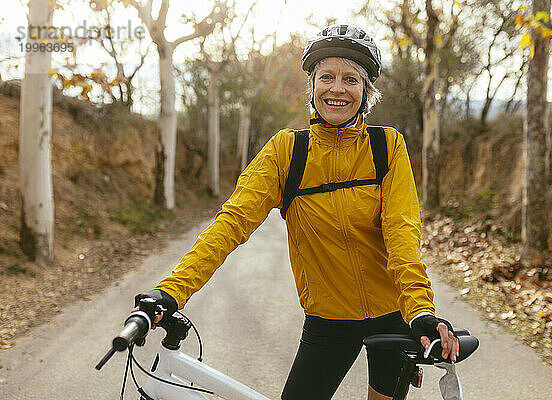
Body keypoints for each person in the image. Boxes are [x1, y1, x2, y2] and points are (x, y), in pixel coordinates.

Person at [135, 24, 459, 400]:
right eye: (327, 77)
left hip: (393, 315)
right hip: (328, 322)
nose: (337, 88)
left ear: (365, 91)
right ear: (312, 86)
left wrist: (419, 309)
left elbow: (402, 232)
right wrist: (171, 292)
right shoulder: (288, 151)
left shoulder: (386, 146)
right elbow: (232, 222)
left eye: (351, 79)